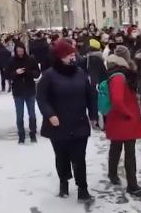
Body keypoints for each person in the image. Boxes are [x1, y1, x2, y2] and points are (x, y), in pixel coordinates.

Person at [37, 40, 98, 202]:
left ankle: (82, 189)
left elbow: (91, 95)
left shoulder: (80, 73)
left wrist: (93, 115)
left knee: (79, 157)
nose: (73, 57)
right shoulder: (49, 75)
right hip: (58, 125)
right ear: (60, 57)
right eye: (69, 55)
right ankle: (63, 182)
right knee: (62, 156)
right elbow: (41, 98)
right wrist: (50, 115)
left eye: (74, 54)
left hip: (79, 123)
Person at [105, 46, 141, 197]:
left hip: (118, 118)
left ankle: (112, 174)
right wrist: (128, 113)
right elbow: (117, 100)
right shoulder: (119, 76)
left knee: (116, 147)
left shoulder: (118, 73)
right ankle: (132, 185)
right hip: (124, 118)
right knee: (129, 153)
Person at [5, 42, 41, 144]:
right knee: (19, 115)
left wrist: (28, 72)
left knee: (32, 114)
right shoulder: (11, 61)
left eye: (21, 50)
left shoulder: (31, 59)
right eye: (18, 50)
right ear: (16, 51)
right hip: (18, 91)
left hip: (30, 90)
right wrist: (16, 73)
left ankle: (33, 133)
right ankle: (21, 134)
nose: (20, 52)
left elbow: (37, 73)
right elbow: (6, 75)